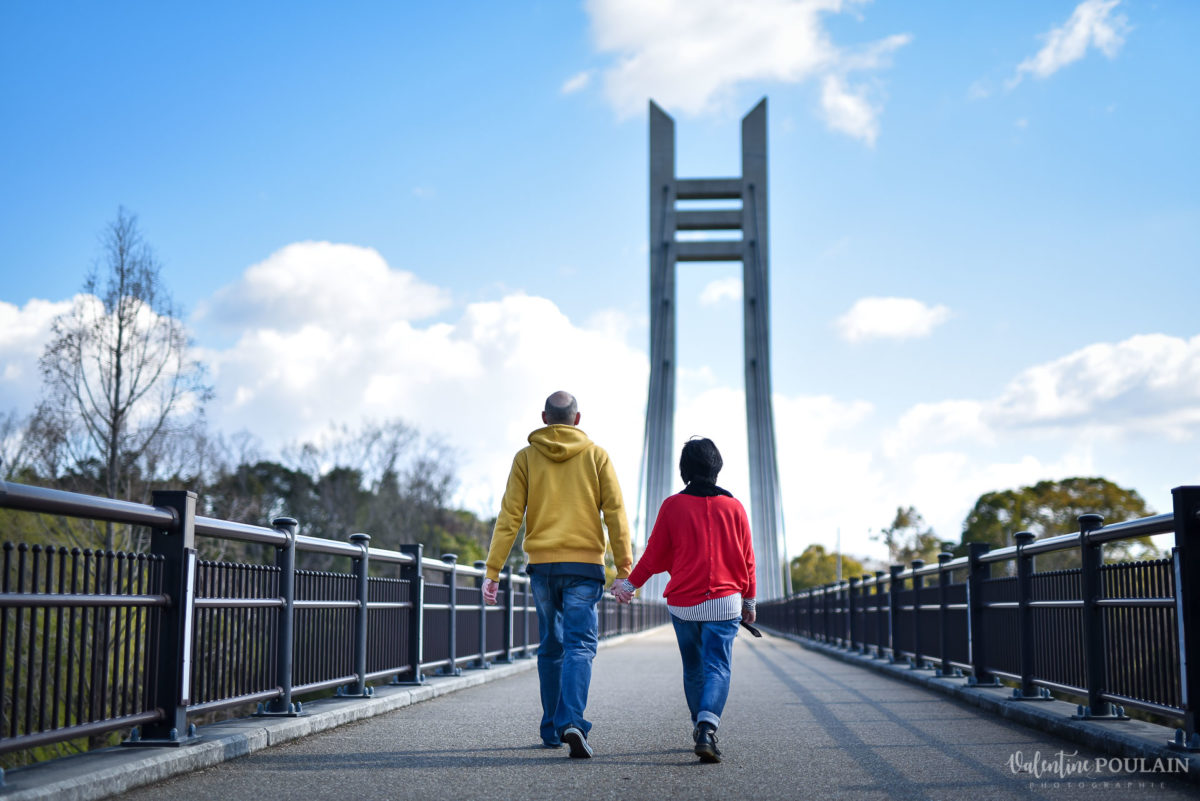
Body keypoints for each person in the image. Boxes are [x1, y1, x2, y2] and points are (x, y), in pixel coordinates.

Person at [481, 391, 634, 758]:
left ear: (544, 417)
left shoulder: (526, 458)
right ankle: (572, 722)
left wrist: (493, 570)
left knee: (551, 646)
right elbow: (615, 513)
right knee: (579, 645)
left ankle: (552, 728)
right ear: (577, 419)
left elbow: (509, 517)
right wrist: (625, 569)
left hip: (544, 568)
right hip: (585, 567)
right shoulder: (597, 456)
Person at [613, 437, 756, 763]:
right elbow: (748, 560)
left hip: (683, 604)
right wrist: (750, 603)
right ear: (716, 466)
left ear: (684, 469)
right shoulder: (734, 508)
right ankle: (707, 726)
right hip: (725, 602)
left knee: (693, 667)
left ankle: (698, 725)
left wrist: (629, 585)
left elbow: (652, 556)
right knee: (717, 666)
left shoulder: (672, 506)